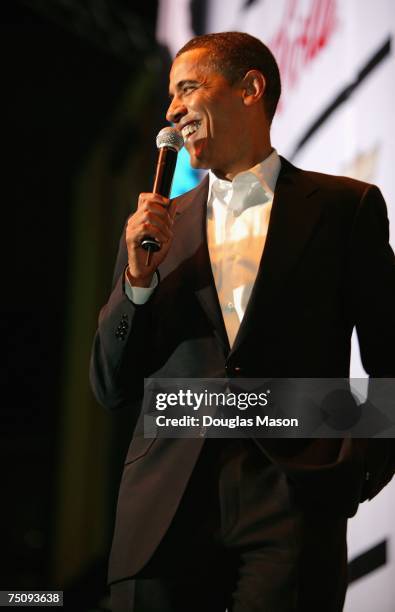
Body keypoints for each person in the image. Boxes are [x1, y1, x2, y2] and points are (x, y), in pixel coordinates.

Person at [90, 32, 395, 612]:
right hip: (164, 507)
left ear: (251, 88)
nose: (172, 109)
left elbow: (391, 356)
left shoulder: (344, 207)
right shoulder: (158, 228)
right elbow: (110, 385)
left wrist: (351, 475)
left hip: (291, 499)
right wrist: (136, 283)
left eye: (188, 88)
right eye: (170, 96)